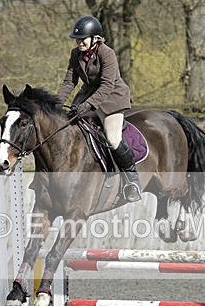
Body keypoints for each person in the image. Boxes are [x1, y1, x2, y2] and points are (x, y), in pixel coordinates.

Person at [57, 15, 142, 202]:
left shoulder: (107, 53)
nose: (79, 42)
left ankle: (132, 179)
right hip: (87, 96)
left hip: (112, 99)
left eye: (82, 39)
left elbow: (106, 85)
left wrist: (87, 105)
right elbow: (69, 82)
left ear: (95, 37)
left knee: (112, 138)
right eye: (77, 39)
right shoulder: (75, 54)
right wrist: (54, 103)